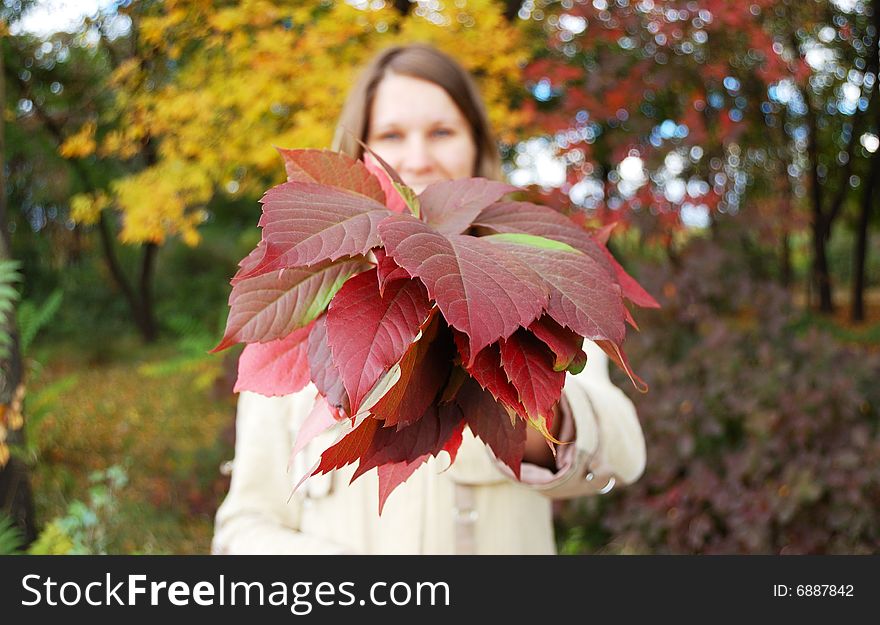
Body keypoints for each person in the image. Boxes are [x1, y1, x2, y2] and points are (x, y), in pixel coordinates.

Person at [211, 44, 646, 555]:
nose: (417, 159)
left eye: (442, 132)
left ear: (476, 148)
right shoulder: (302, 303)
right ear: (355, 156)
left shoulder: (527, 283)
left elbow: (624, 453)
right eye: (392, 135)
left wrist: (528, 402)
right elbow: (244, 528)